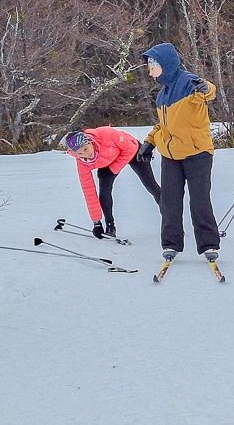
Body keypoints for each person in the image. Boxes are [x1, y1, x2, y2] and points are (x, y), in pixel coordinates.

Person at [140, 42, 220, 261]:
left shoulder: (187, 82)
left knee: (199, 199)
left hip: (197, 152)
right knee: (170, 200)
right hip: (171, 155)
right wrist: (149, 142)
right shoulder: (162, 94)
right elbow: (163, 126)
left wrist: (205, 87)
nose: (150, 71)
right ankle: (171, 243)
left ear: (165, 64)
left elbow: (208, 91)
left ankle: (209, 244)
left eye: (152, 66)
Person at [63, 127, 161, 237]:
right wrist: (97, 222)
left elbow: (130, 149)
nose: (85, 154)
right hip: (107, 162)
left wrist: (113, 169)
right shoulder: (82, 162)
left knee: (151, 186)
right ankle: (110, 226)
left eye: (86, 149)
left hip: (132, 151)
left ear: (90, 142)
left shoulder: (107, 134)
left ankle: (171, 221)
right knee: (104, 193)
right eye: (80, 153)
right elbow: (88, 191)